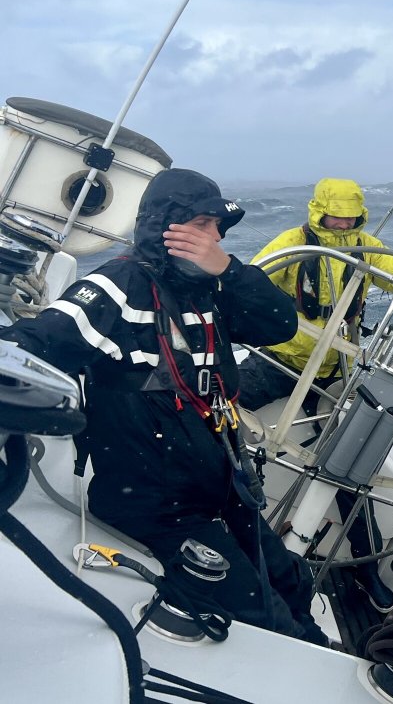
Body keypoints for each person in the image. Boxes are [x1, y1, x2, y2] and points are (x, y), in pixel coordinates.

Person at [0, 168, 328, 645]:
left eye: (220, 227)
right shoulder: (119, 285)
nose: (217, 236)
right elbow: (35, 342)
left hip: (221, 488)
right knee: (266, 617)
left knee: (293, 581)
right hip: (155, 505)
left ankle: (322, 647)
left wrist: (229, 269)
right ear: (167, 227)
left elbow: (279, 326)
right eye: (205, 224)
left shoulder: (211, 288)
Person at [238, 177, 393, 612]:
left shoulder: (366, 246)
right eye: (336, 214)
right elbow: (251, 281)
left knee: (347, 466)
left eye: (351, 215)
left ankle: (364, 564)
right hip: (281, 359)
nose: (343, 222)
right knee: (217, 410)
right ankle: (219, 501)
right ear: (319, 210)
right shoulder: (295, 242)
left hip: (337, 373)